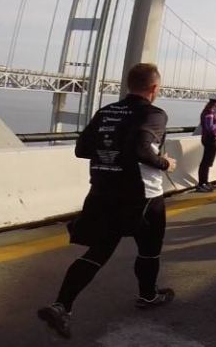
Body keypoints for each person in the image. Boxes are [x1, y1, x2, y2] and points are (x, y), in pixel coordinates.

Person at [37, 63, 176, 339]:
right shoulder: (154, 114)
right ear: (154, 88)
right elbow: (141, 149)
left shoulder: (106, 111)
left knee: (97, 253)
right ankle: (148, 296)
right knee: (149, 250)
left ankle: (61, 305)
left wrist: (112, 153)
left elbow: (82, 149)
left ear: (128, 85)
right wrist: (165, 163)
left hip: (103, 192)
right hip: (142, 196)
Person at [195, 93, 216, 192]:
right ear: (214, 102)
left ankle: (205, 182)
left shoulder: (211, 112)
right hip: (209, 139)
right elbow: (209, 128)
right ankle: (201, 184)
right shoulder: (209, 113)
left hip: (210, 139)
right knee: (206, 162)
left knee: (208, 162)